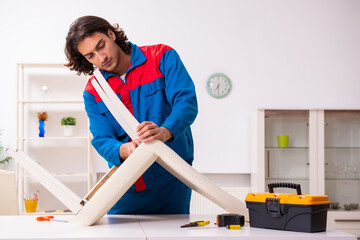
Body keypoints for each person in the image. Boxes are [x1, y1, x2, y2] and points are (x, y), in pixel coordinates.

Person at [64, 16, 198, 214]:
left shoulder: (161, 57)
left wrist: (164, 131)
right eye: (90, 56)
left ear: (111, 34)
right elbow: (102, 139)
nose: (101, 58)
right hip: (126, 184)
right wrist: (124, 149)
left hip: (172, 180)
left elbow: (185, 103)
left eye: (101, 46)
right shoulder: (93, 91)